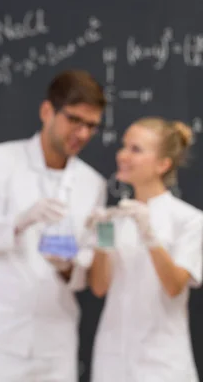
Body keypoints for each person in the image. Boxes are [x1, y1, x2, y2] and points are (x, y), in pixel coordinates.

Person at [0, 69, 107, 381]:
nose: (82, 133)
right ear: (47, 111)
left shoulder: (92, 184)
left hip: (56, 345)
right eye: (74, 120)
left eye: (90, 125)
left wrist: (67, 268)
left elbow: (89, 266)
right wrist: (19, 222)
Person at [87, 117, 202, 382]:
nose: (122, 155)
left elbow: (174, 286)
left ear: (163, 164)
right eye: (124, 146)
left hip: (162, 362)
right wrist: (102, 237)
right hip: (112, 359)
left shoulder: (189, 220)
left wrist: (150, 236)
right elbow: (99, 287)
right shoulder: (116, 217)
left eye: (135, 149)